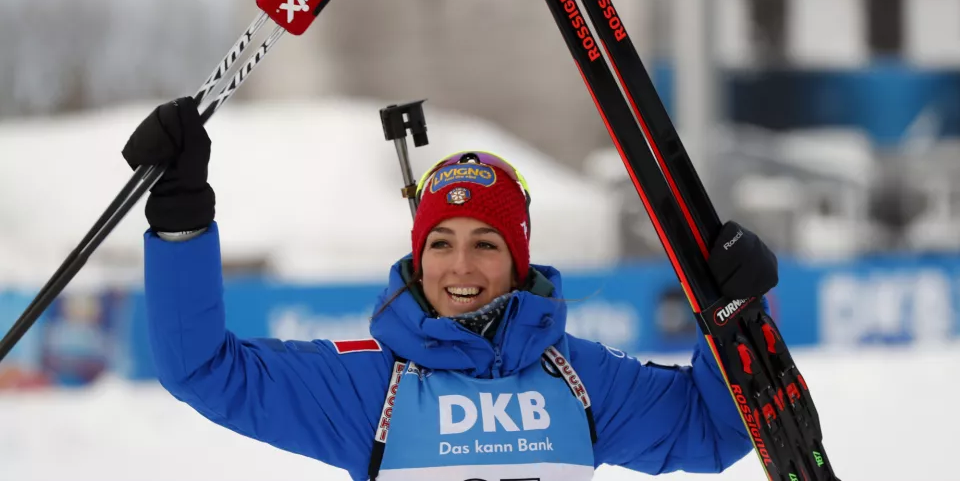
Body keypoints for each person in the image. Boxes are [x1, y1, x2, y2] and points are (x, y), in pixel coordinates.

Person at [122, 97, 780, 481]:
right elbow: (203, 370)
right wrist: (182, 218)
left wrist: (739, 308)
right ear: (419, 257)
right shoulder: (370, 389)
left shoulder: (580, 380)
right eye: (440, 243)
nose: (460, 267)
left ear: (519, 262)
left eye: (486, 244)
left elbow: (710, 430)